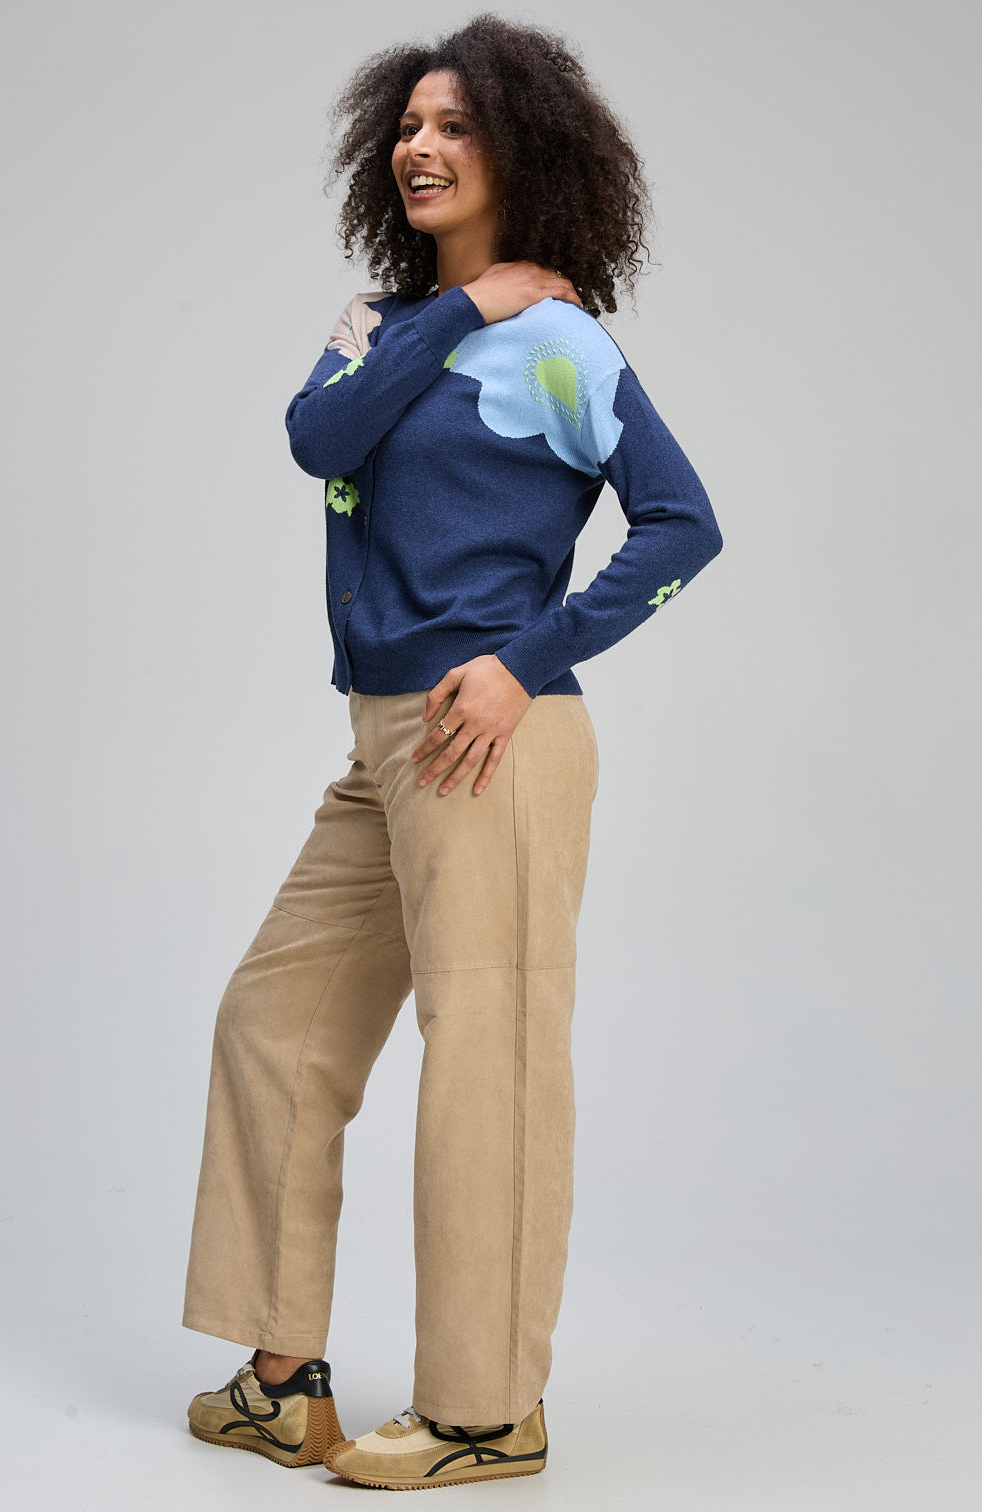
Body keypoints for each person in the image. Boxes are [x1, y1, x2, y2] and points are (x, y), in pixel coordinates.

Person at [181, 11, 723, 1492]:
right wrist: (467, 303)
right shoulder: (383, 324)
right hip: (384, 741)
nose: (421, 146)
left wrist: (529, 659)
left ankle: (486, 1412)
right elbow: (320, 438)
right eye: (409, 126)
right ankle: (281, 1381)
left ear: (523, 152)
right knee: (273, 1024)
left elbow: (685, 525)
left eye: (456, 126)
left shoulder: (565, 343)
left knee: (488, 1060)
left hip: (495, 741)